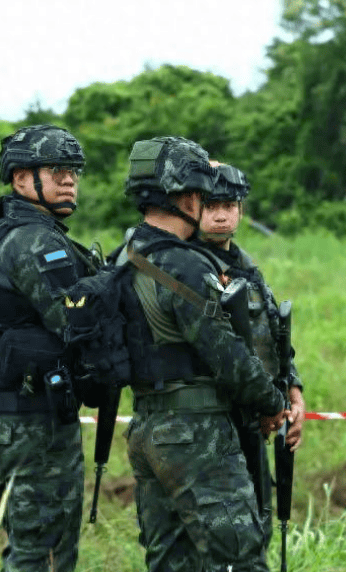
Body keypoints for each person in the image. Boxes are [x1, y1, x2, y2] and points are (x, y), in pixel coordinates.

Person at [114, 136, 288, 572]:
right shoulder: (186, 265)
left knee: (171, 562)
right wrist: (273, 403)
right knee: (240, 559)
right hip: (196, 432)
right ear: (187, 197)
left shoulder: (124, 255)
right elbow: (227, 354)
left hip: (147, 426)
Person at [0, 124, 98, 572]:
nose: (69, 180)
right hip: (31, 420)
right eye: (57, 170)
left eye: (74, 171)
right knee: (45, 553)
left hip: (15, 415)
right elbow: (73, 322)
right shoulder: (34, 240)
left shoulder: (10, 231)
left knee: (36, 547)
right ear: (22, 178)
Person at [195, 162, 306, 552]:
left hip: (255, 422)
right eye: (211, 206)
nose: (220, 215)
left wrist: (293, 393)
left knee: (257, 529)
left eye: (229, 205)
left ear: (241, 210)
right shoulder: (187, 267)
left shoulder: (247, 268)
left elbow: (275, 336)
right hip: (212, 426)